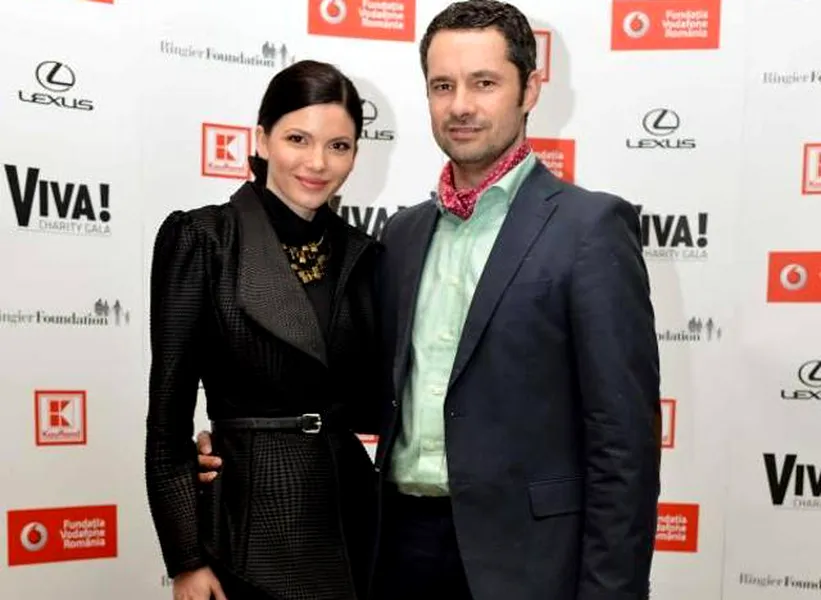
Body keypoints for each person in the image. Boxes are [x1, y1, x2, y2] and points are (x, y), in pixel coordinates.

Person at [199, 2, 662, 599]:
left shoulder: (589, 229)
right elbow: (361, 395)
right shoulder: (403, 234)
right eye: (443, 85)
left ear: (530, 90)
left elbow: (623, 446)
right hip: (395, 548)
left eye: (484, 83)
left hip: (527, 562)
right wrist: (243, 438)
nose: (460, 105)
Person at [145, 59, 381, 600]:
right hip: (250, 533)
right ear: (261, 139)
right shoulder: (205, 239)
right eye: (298, 139)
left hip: (351, 522)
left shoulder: (362, 254)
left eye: (338, 146)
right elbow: (167, 419)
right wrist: (186, 559)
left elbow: (376, 401)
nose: (317, 162)